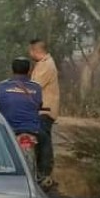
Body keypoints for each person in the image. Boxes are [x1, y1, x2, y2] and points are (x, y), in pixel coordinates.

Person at [29, 39, 60, 188]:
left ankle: (44, 173)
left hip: (45, 110)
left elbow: (35, 86)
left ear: (36, 51)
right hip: (40, 109)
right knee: (41, 141)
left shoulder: (46, 65)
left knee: (43, 141)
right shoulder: (43, 64)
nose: (29, 53)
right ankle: (42, 173)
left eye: (31, 50)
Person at [0, 57, 42, 135]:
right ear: (29, 70)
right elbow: (39, 104)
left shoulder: (1, 86)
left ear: (12, 69)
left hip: (8, 129)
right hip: (32, 129)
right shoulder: (37, 87)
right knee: (45, 140)